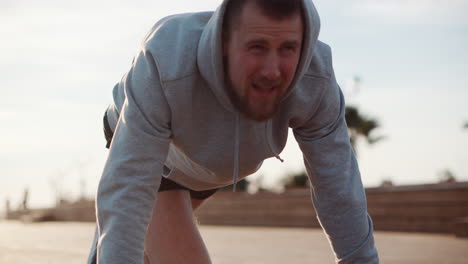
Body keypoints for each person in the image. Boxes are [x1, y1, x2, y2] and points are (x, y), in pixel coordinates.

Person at [88, 0, 379, 263]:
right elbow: (129, 187)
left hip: (210, 169)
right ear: (224, 42)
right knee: (137, 240)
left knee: (146, 248)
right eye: (257, 47)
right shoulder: (166, 61)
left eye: (288, 48)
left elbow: (339, 189)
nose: (272, 71)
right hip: (160, 160)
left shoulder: (316, 80)